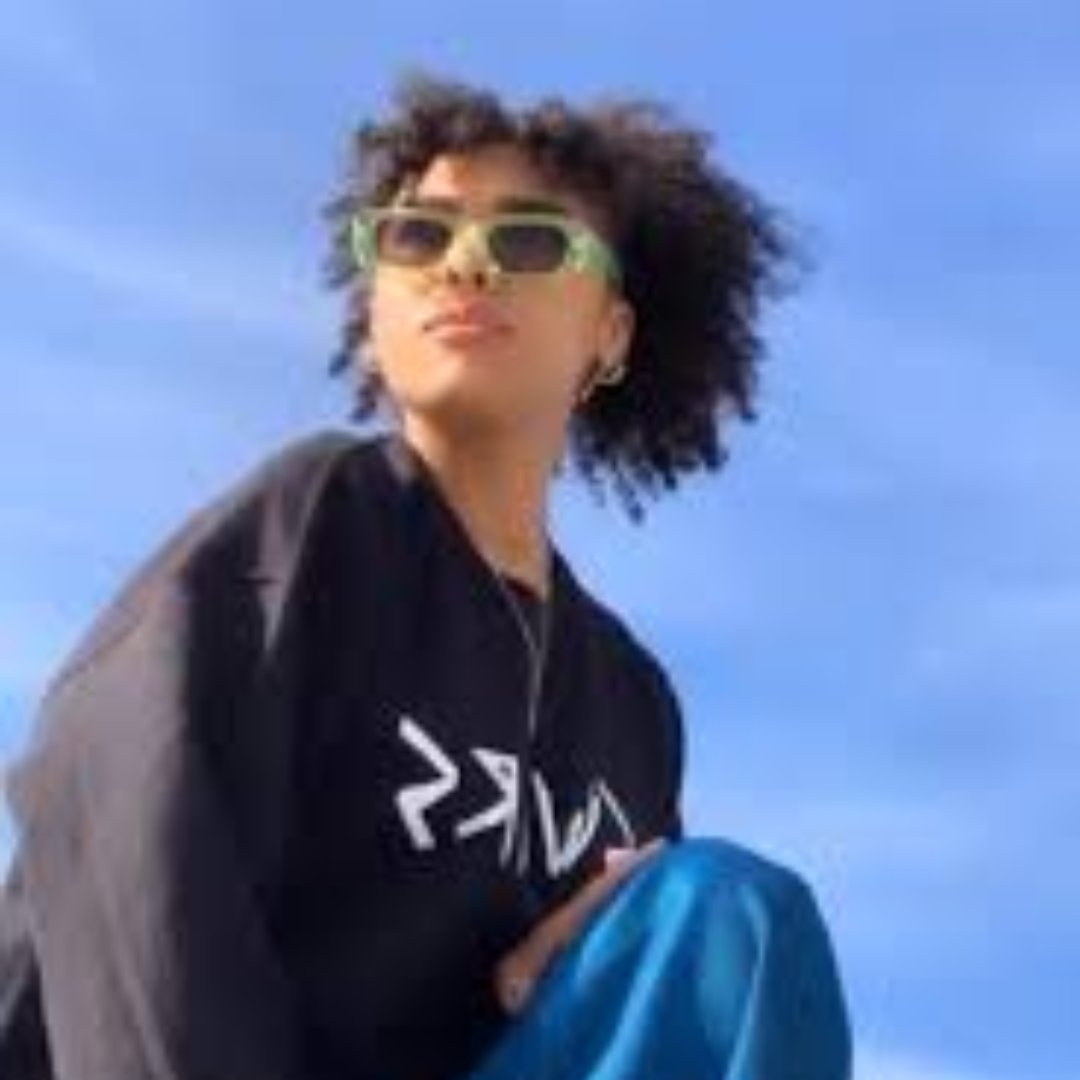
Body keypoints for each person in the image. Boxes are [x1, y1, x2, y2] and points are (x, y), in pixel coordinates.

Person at [0, 73, 851, 1079]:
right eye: (418, 235)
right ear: (374, 307)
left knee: (726, 920)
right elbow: (118, 811)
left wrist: (596, 955)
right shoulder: (319, 528)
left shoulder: (631, 708)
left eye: (528, 241)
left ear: (610, 334)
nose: (466, 263)